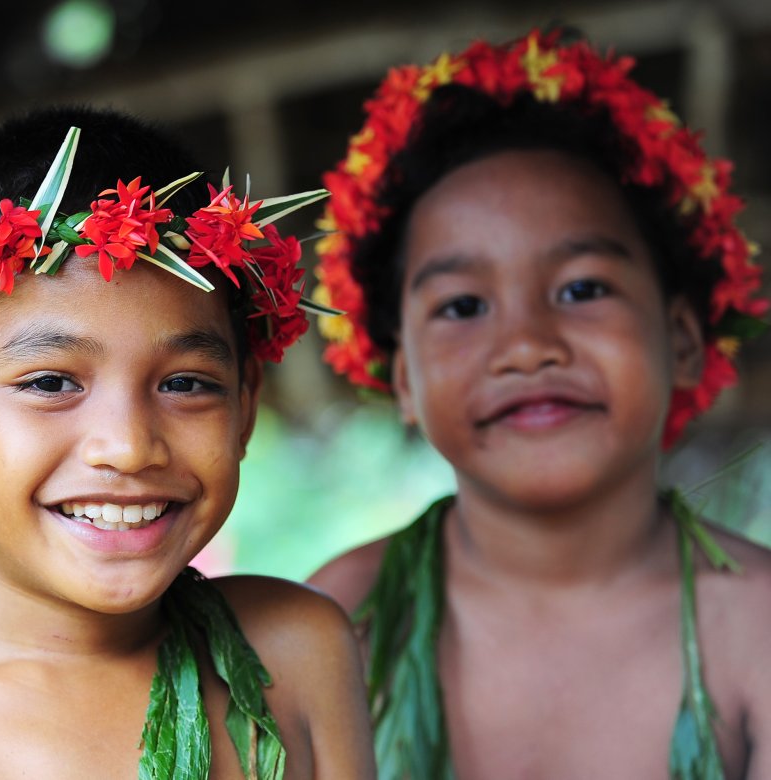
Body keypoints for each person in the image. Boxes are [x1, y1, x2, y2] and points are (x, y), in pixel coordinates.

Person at [0, 105, 375, 779]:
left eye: (184, 384)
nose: (129, 447)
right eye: (51, 382)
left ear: (245, 405)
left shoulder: (294, 655)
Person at [307, 30, 771, 779]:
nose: (527, 346)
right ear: (404, 382)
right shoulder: (337, 624)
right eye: (462, 306)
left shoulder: (757, 626)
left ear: (683, 340)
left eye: (583, 289)